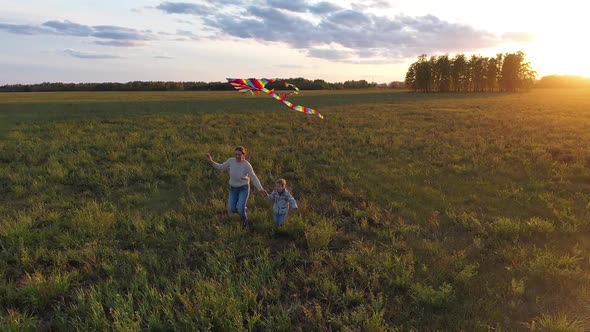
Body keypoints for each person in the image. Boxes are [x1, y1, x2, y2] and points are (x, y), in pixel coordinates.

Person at [207, 146, 268, 227]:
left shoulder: (246, 165)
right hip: (233, 188)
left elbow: (253, 177)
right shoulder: (230, 161)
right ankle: (242, 208)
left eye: (239, 155)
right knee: (232, 209)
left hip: (244, 188)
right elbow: (220, 167)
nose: (237, 156)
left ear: (243, 155)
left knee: (240, 209)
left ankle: (245, 225)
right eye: (236, 154)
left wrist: (260, 189)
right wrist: (211, 161)